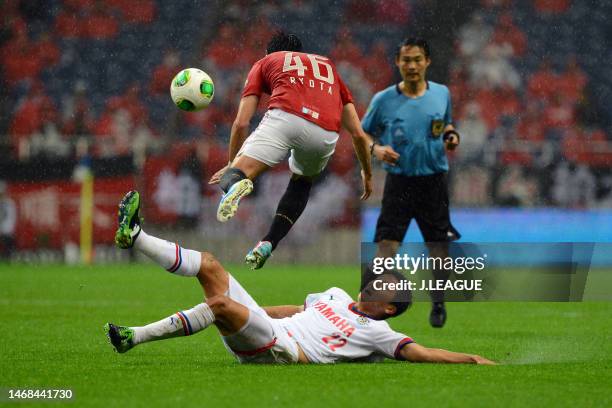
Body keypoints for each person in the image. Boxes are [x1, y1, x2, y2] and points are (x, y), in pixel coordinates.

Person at [108, 191, 494, 365]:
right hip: (266, 328)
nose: (376, 280)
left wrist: (471, 360)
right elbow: (296, 309)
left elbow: (420, 353)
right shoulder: (337, 295)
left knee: (221, 305)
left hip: (281, 351)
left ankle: (134, 337)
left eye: (385, 285)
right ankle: (135, 236)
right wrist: (253, 311)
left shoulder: (379, 334)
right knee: (210, 264)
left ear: (390, 307)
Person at [208, 31, 374, 270]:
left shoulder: (266, 62)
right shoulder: (328, 67)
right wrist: (367, 174)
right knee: (301, 184)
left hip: (286, 116)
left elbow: (241, 122)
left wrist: (232, 164)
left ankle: (237, 183)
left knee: (235, 175)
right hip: (326, 132)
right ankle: (269, 242)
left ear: (270, 52)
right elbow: (358, 134)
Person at [361, 38, 461, 328]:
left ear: (427, 62)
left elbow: (447, 123)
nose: (412, 66)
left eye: (417, 59)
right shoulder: (383, 100)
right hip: (400, 182)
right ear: (398, 63)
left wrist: (452, 136)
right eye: (406, 60)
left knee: (439, 249)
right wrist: (377, 149)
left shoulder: (441, 93)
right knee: (386, 248)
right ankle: (373, 309)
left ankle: (439, 301)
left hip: (434, 182)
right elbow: (362, 134)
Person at [0, 181, 16, 261]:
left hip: (6, 229)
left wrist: (6, 229)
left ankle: (7, 258)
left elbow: (10, 218)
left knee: (8, 243)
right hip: (4, 229)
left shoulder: (9, 203)